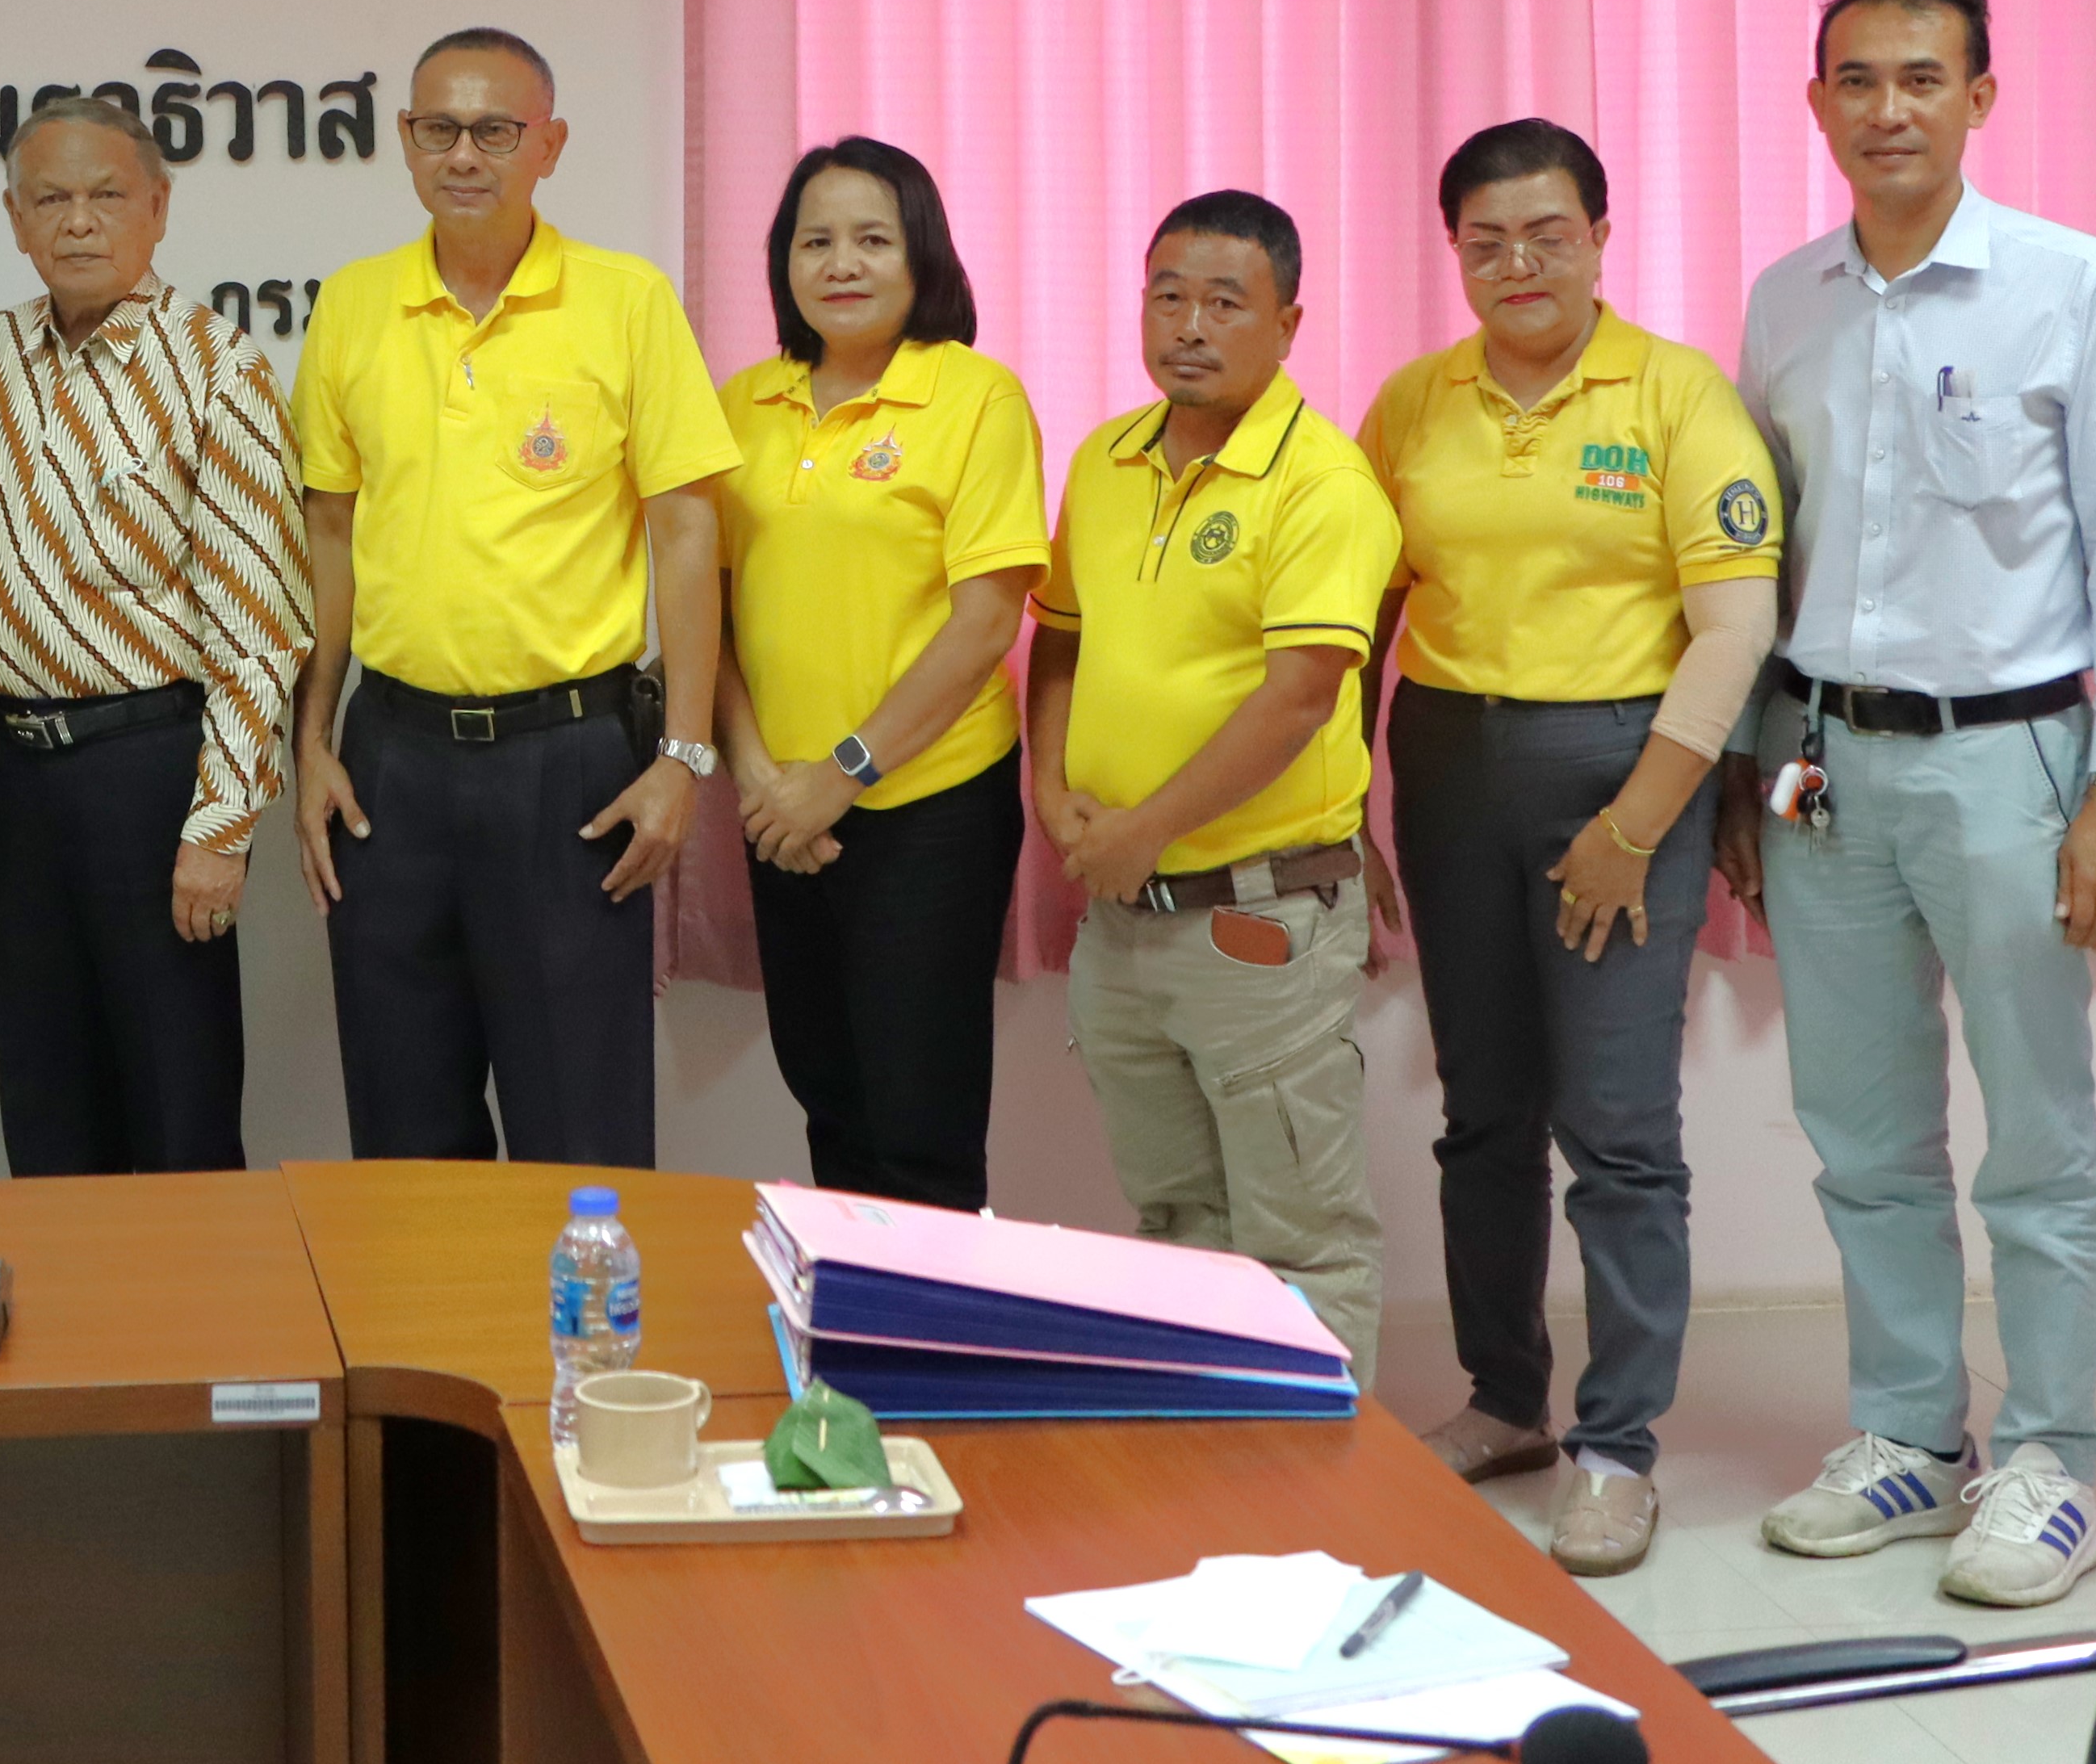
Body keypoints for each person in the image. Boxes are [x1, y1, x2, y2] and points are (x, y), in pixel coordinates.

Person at [1736, 0, 2096, 1610]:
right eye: (1854, 79)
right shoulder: (1782, 299)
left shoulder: (2068, 283)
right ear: (1815, 103)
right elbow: (1760, 550)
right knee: (1859, 1129)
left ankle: (2048, 1456)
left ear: (1978, 97)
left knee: (2034, 1133)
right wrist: (1751, 765)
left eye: (1920, 77)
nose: (1886, 108)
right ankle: (1911, 1434)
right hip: (1820, 764)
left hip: (2013, 757)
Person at [1358, 119, 1781, 1577]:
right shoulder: (1412, 403)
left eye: (1546, 234)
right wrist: (1340, 806)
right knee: (1483, 1110)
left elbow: (1732, 630)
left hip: (1621, 767)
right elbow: (1359, 616)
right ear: (1454, 252)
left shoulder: (1675, 394)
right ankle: (1503, 1400)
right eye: (1484, 241)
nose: (1517, 263)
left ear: (1601, 235)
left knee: (1616, 1129)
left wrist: (1633, 827)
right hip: (1446, 763)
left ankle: (1616, 1445)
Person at [291, 30, 735, 1167]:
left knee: (577, 1128)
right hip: (388, 762)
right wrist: (312, 738)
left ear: (550, 144)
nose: (464, 153)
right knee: (404, 1130)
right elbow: (328, 531)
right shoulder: (353, 303)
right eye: (438, 127)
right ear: (404, 139)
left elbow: (685, 529)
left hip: (570, 764)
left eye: (495, 129)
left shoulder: (625, 300)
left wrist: (684, 756)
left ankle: (579, 1303)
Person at [1027, 191, 1399, 1383]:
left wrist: (1143, 826)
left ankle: (1321, 1480)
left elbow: (1299, 696)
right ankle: (1206, 1454)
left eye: (1225, 302)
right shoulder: (1106, 458)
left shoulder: (1323, 483)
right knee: (1177, 1222)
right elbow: (1060, 638)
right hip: (1124, 914)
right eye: (1168, 295)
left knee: (1301, 1238)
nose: (1189, 324)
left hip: (1260, 921)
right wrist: (1050, 784)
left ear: (1287, 324)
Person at [0, 94, 313, 1175]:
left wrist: (220, 827)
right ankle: (69, 1294)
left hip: (148, 773)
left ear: (157, 205)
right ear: (14, 216)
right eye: (50, 197)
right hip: (9, 776)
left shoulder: (216, 364)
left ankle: (191, 1297)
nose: (79, 220)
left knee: (175, 1097)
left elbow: (263, 628)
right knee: (43, 1096)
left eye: (106, 194)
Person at [710, 139, 1045, 1214]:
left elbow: (984, 619)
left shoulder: (974, 396)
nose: (840, 263)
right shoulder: (741, 403)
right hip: (780, 809)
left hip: (924, 806)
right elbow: (708, 612)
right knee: (830, 1097)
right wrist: (761, 778)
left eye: (871, 238)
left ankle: (933, 1324)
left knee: (919, 1126)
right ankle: (850, 1312)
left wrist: (840, 772)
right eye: (815, 240)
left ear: (921, 256)